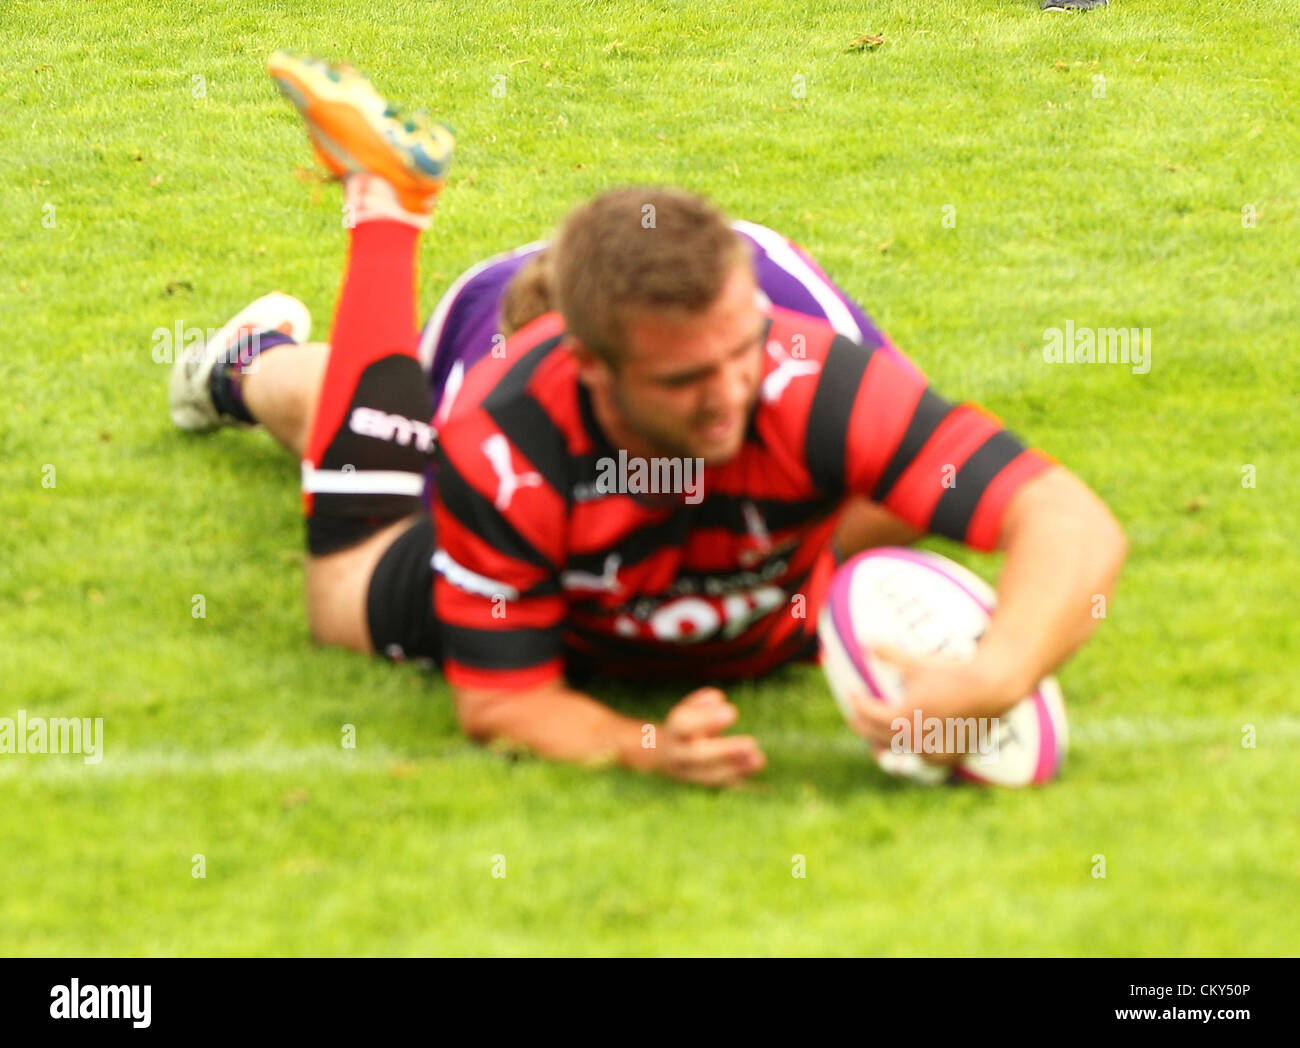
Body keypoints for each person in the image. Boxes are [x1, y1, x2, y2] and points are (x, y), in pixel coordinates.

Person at [169, 53, 1126, 787]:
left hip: (695, 346)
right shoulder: (503, 444)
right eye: (685, 381)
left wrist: (999, 672)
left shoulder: (808, 375)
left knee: (902, 483)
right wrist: (638, 744)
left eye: (739, 358)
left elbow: (1065, 517)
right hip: (514, 336)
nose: (727, 395)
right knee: (351, 575)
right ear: (589, 368)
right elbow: (503, 699)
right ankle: (346, 255)